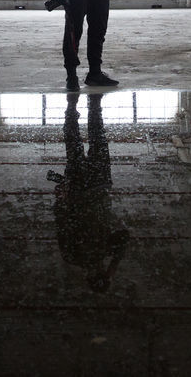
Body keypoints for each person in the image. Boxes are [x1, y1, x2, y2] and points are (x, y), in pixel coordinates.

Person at [50, 92, 129, 292]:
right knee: (77, 142)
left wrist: (112, 268)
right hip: (84, 190)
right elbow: (61, 223)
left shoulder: (97, 252)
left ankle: (91, 103)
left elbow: (123, 238)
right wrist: (61, 199)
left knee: (94, 138)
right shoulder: (75, 256)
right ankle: (75, 105)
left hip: (96, 188)